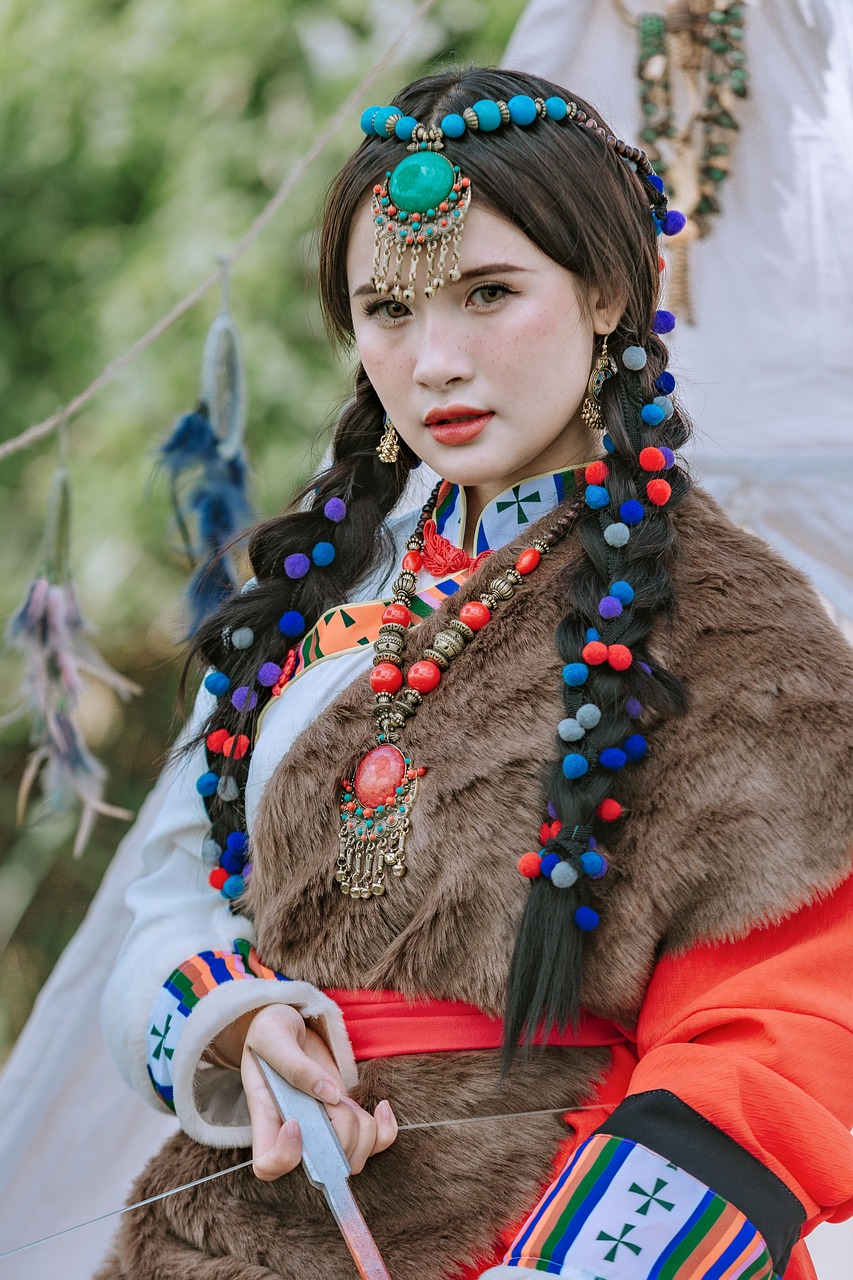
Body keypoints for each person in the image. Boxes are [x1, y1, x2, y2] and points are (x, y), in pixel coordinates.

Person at [97, 65, 853, 1280]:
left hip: (562, 1226)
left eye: (488, 293)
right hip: (243, 1227)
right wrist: (243, 1021)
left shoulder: (740, 630)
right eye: (388, 311)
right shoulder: (316, 594)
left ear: (604, 291)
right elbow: (174, 891)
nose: (435, 358)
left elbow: (784, 1018)